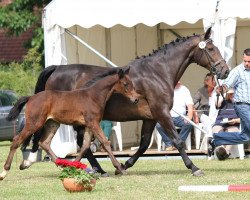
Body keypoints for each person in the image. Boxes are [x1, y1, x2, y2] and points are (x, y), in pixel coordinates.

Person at [209, 48, 250, 155]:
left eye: (249, 62)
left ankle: (216, 138)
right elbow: (227, 84)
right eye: (245, 61)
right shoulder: (237, 71)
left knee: (245, 136)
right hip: (242, 105)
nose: (246, 64)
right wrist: (222, 88)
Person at [156, 81, 194, 151]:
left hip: (181, 117)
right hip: (167, 117)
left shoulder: (184, 89)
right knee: (159, 125)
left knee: (189, 124)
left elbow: (190, 105)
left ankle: (178, 144)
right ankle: (169, 144)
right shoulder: (165, 89)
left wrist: (189, 117)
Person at [212, 89, 241, 160]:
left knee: (231, 132)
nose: (232, 96)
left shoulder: (241, 104)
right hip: (220, 122)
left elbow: (244, 118)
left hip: (234, 123)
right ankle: (221, 149)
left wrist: (235, 120)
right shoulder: (223, 102)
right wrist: (219, 94)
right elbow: (217, 104)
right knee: (216, 130)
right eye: (230, 94)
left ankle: (226, 151)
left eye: (233, 94)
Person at [193, 73, 216, 138]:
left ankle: (207, 139)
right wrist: (195, 116)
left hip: (214, 113)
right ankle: (210, 139)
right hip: (203, 112)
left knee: (214, 122)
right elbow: (191, 104)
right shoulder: (201, 91)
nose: (214, 82)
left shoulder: (216, 91)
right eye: (212, 80)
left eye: (215, 80)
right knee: (208, 121)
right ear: (207, 82)